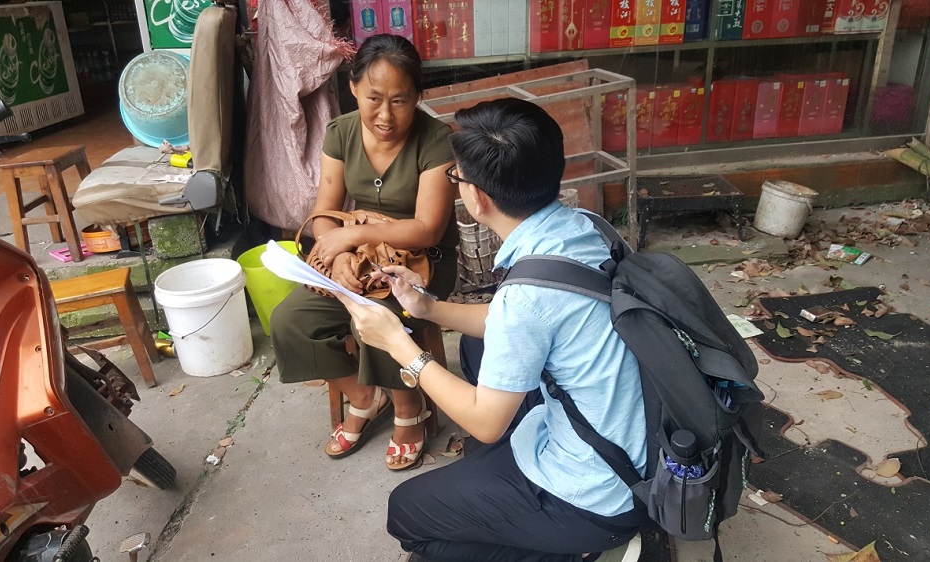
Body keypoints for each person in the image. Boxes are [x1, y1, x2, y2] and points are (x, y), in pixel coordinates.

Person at [335, 98, 649, 561]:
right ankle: (507, 500)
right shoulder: (585, 227)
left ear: (477, 197)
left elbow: (485, 422)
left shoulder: (526, 296)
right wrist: (427, 307)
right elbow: (518, 322)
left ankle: (563, 548)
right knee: (476, 347)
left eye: (456, 177)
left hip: (595, 497)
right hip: (635, 447)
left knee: (406, 514)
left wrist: (399, 345)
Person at [270, 34, 458, 471]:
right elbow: (325, 212)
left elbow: (427, 228)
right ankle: (364, 396)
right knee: (291, 320)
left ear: (417, 96)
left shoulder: (436, 140)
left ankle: (410, 407)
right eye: (374, 98)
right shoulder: (341, 133)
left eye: (400, 100)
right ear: (353, 88)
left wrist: (348, 240)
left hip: (422, 262)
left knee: (377, 311)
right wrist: (337, 258)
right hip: (360, 258)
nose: (385, 115)